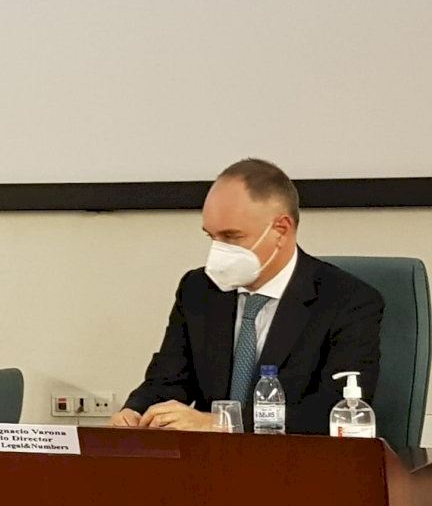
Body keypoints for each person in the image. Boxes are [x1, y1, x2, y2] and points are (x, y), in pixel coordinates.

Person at [111, 159, 384, 434]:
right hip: (207, 457)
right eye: (212, 237)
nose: (219, 252)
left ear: (281, 230)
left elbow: (333, 410)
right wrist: (135, 411)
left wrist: (221, 423)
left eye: (231, 237)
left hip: (296, 456)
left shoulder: (349, 301)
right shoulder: (198, 289)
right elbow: (168, 380)